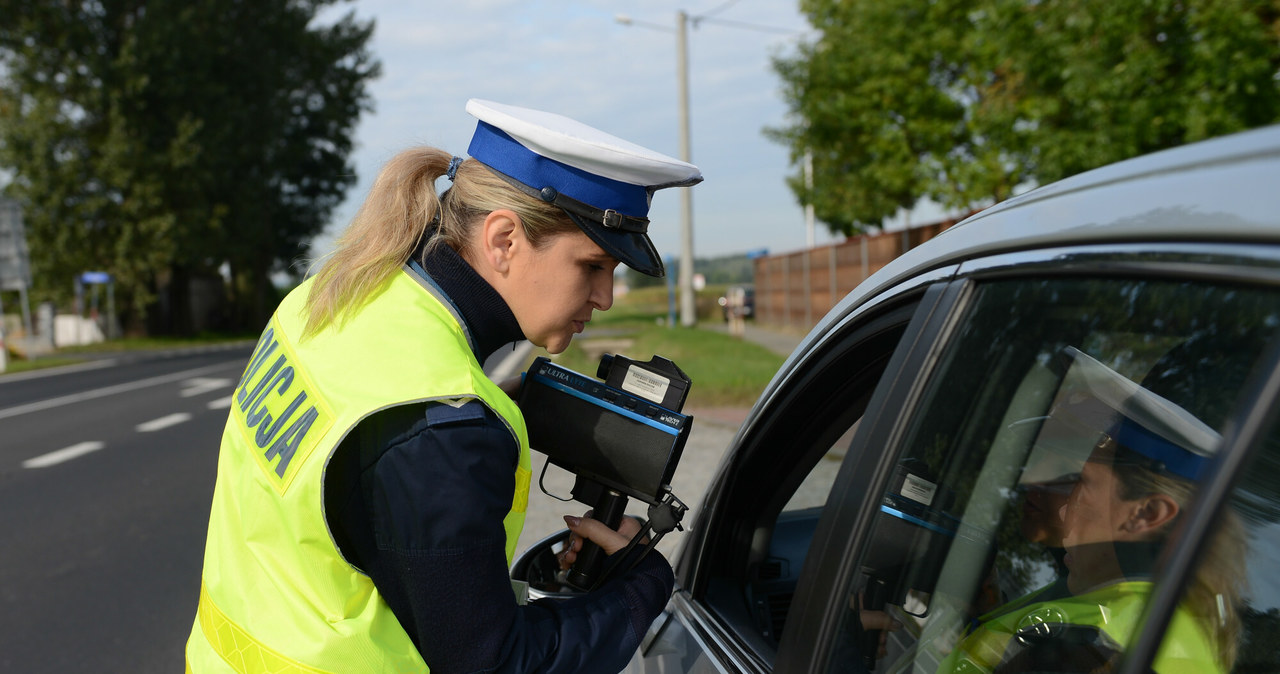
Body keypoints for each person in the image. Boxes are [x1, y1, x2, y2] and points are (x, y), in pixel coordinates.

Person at [185, 99, 702, 673]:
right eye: (592, 266)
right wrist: (643, 583)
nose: (604, 297)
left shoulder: (327, 299)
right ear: (503, 239)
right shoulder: (443, 422)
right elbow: (498, 665)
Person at [940, 348, 1247, 674]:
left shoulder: (1092, 648)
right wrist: (987, 607)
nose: (1033, 482)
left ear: (1147, 513)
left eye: (1073, 479)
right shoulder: (1111, 604)